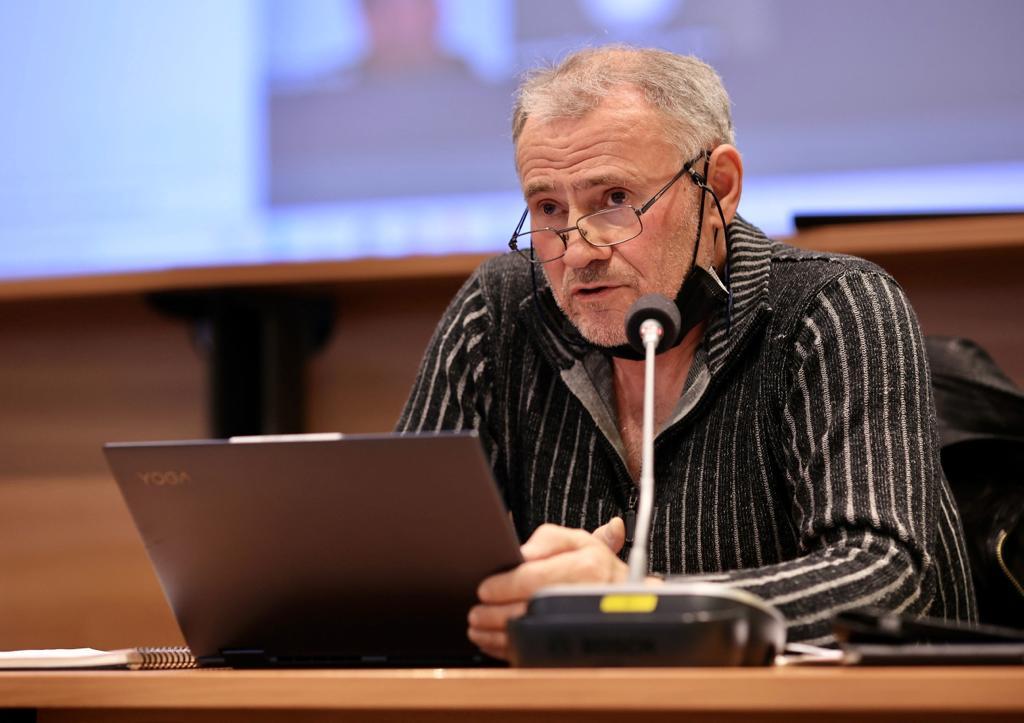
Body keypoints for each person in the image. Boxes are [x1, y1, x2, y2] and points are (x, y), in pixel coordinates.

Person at [397, 45, 976, 661]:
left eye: (615, 199)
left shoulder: (835, 307)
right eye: (548, 208)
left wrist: (639, 603)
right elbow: (391, 559)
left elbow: (887, 580)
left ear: (718, 188)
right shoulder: (498, 312)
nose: (578, 250)